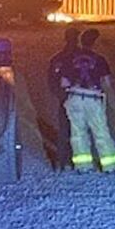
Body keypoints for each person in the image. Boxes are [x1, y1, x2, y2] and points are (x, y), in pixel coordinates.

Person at [63, 29, 115, 173]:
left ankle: (83, 166)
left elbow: (63, 82)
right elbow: (106, 82)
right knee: (100, 131)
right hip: (93, 98)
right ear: (94, 42)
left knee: (77, 133)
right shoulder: (100, 59)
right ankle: (110, 166)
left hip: (75, 97)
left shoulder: (70, 58)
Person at [48, 27, 80, 172]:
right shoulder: (59, 59)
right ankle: (66, 161)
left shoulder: (59, 58)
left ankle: (65, 162)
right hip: (73, 98)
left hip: (72, 97)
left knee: (68, 131)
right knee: (71, 131)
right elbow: (53, 81)